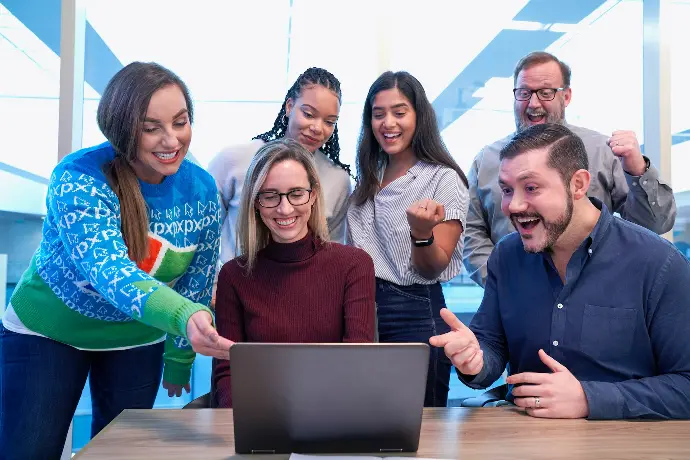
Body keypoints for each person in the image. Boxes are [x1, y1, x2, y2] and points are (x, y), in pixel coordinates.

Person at [0, 62, 233, 458]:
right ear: (122, 127)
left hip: (137, 338)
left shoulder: (201, 187)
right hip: (48, 332)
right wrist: (182, 318)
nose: (171, 139)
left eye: (181, 122)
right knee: (29, 449)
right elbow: (111, 271)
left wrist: (179, 355)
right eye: (151, 127)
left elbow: (198, 274)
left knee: (120, 454)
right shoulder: (78, 177)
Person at [431, 123, 690, 420]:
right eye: (506, 190)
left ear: (578, 185)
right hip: (526, 438)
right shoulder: (507, 256)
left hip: (624, 442)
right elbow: (491, 346)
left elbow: (686, 385)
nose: (512, 206)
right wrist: (474, 360)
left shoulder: (658, 263)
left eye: (531, 188)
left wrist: (590, 400)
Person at [463, 51, 676, 286]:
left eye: (546, 93)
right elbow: (472, 234)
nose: (533, 104)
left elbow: (652, 227)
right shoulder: (487, 160)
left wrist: (638, 172)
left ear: (566, 96)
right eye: (524, 93)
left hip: (595, 295)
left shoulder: (603, 151)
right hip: (514, 302)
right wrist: (502, 283)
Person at [211, 138, 376, 408]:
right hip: (259, 416)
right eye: (270, 195)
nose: (284, 208)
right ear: (255, 202)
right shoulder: (234, 276)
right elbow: (227, 374)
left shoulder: (354, 265)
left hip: (333, 414)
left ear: (312, 195)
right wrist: (242, 425)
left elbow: (355, 364)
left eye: (296, 193)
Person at [347, 71, 469, 407]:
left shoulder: (443, 179)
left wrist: (420, 233)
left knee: (418, 430)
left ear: (419, 117)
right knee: (363, 423)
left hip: (414, 312)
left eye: (399, 112)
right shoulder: (367, 177)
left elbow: (433, 267)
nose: (388, 123)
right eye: (378, 114)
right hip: (361, 310)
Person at [207, 67, 352, 270]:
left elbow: (330, 252)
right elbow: (204, 233)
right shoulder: (234, 160)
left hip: (298, 293)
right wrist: (214, 283)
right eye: (309, 114)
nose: (318, 128)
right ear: (289, 106)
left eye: (329, 122)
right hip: (233, 288)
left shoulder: (338, 180)